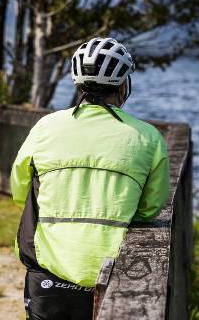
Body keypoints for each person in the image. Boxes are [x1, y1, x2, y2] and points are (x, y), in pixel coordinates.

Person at [11, 37, 169, 320]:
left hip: (48, 267)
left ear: (78, 84)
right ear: (123, 86)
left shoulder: (46, 126)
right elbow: (149, 208)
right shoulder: (148, 137)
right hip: (113, 272)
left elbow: (18, 189)